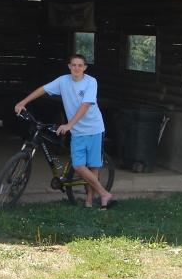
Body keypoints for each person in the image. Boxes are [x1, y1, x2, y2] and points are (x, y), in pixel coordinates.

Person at [14, 54, 116, 209]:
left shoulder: (91, 82)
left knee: (93, 166)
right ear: (69, 66)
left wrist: (69, 124)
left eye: (80, 65)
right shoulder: (63, 81)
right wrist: (23, 102)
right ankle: (104, 193)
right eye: (73, 65)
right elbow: (43, 89)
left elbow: (85, 106)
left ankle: (89, 201)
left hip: (94, 129)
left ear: (85, 68)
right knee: (79, 166)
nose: (76, 68)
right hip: (78, 132)